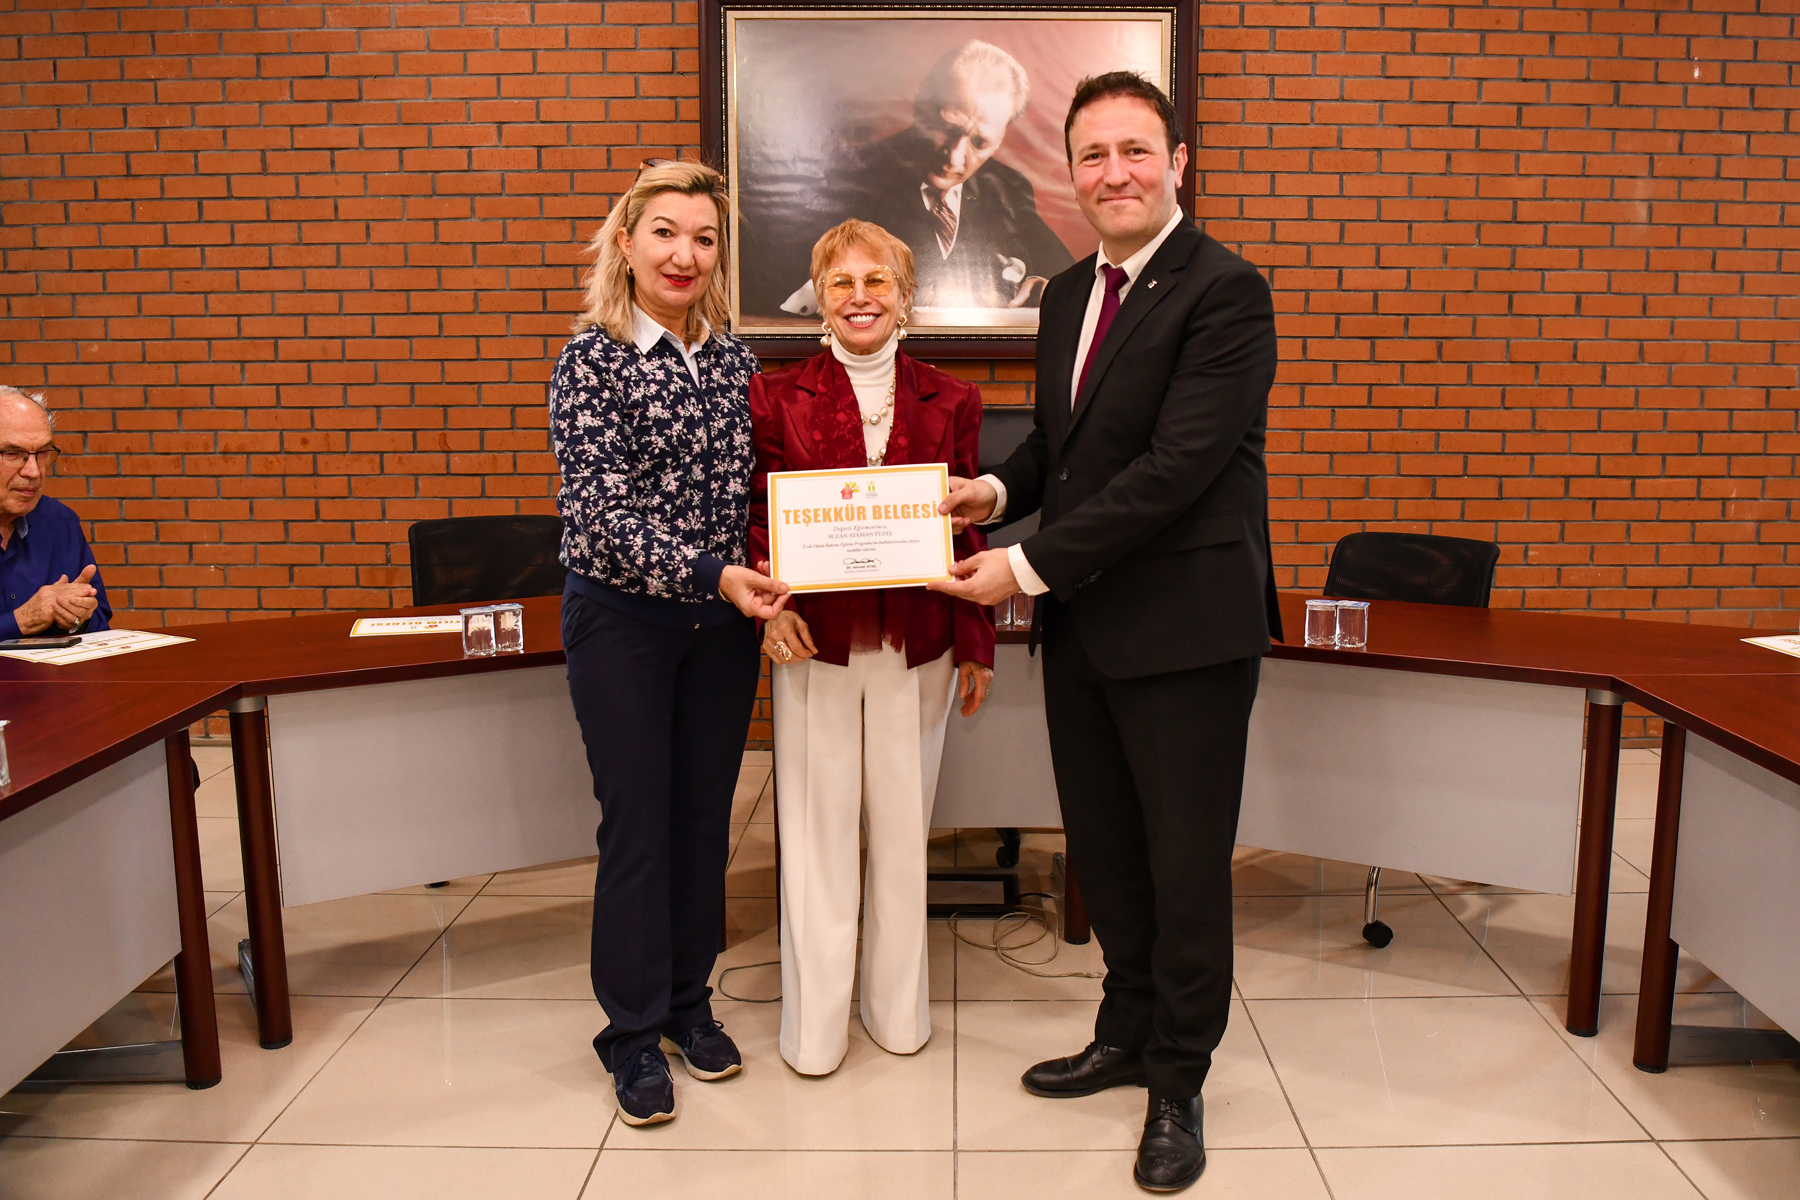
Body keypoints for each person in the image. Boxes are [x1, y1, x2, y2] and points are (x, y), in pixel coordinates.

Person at [931, 73, 1281, 1193]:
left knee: (1185, 864)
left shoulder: (1226, 291)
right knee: (1108, 850)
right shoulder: (1072, 289)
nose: (1114, 173)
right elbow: (1064, 447)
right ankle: (1125, 1031)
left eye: (1136, 151)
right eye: (1093, 155)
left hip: (1185, 630)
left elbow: (1176, 469)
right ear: (1070, 172)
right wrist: (993, 494)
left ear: (1176, 163)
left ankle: (1178, 1079)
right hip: (1087, 623)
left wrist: (1023, 566)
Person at [548, 160, 789, 1128]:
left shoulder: (734, 362)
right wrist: (712, 572)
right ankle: (633, 1032)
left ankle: (691, 1004)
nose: (684, 254)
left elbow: (763, 492)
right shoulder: (591, 362)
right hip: (625, 624)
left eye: (703, 238)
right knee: (639, 828)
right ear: (626, 242)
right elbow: (599, 515)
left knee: (702, 822)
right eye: (665, 233)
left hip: (720, 632)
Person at [747, 219, 995, 1075]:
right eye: (842, 282)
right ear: (819, 298)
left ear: (906, 294)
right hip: (813, 643)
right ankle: (814, 1031)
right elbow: (757, 519)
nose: (860, 297)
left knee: (899, 835)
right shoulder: (775, 396)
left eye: (877, 280)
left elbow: (965, 531)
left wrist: (976, 642)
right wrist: (770, 610)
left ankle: (897, 1014)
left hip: (918, 644)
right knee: (816, 836)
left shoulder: (953, 399)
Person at [745, 41, 1074, 318]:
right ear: (921, 107)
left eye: (980, 143)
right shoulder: (850, 176)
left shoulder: (1008, 187)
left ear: (1001, 139)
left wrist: (1051, 289)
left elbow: (1073, 280)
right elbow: (775, 295)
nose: (955, 158)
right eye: (948, 128)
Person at [0, 386, 109, 640]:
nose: (33, 472)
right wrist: (21, 621)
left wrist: (74, 619)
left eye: (42, 454)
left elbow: (99, 623)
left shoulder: (60, 523)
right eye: (13, 454)